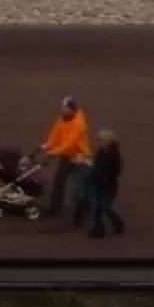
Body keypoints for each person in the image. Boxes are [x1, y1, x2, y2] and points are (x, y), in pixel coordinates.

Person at [38, 95, 92, 224]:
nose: (61, 110)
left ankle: (83, 211)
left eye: (64, 108)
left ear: (72, 110)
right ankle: (55, 208)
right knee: (58, 182)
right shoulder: (63, 118)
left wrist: (53, 153)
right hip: (66, 157)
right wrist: (46, 145)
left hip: (80, 158)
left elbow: (69, 143)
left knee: (78, 188)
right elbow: (55, 134)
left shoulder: (79, 124)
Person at [86, 130, 127, 239]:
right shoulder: (100, 152)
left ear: (109, 141)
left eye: (101, 140)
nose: (99, 142)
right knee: (98, 208)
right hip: (99, 183)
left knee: (105, 206)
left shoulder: (114, 155)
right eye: (98, 140)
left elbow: (116, 172)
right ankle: (98, 229)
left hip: (109, 185)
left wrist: (97, 171)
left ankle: (118, 224)